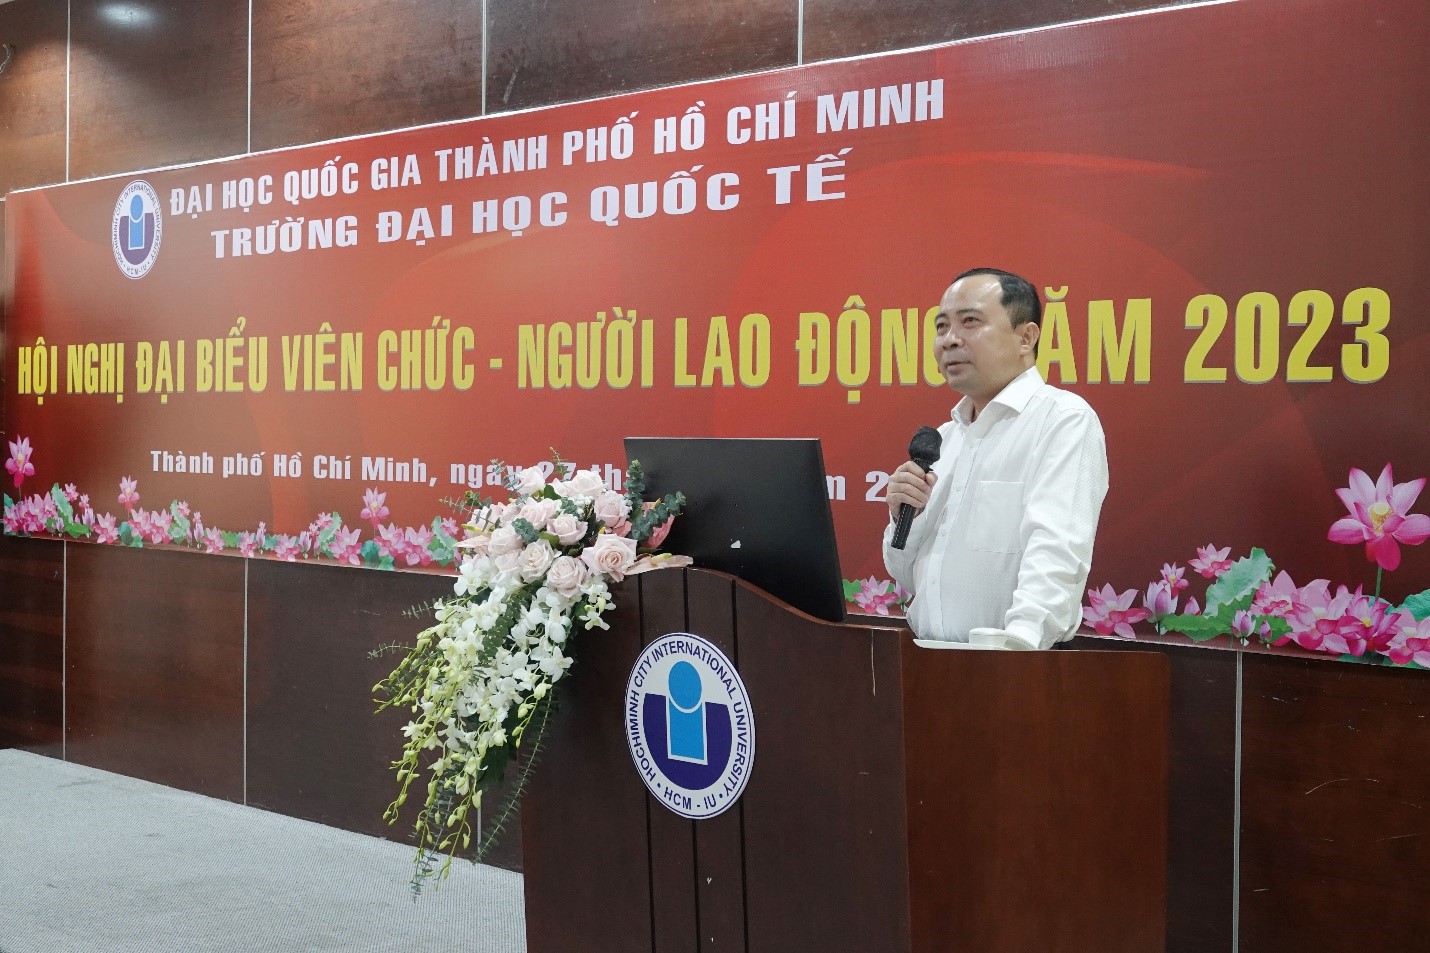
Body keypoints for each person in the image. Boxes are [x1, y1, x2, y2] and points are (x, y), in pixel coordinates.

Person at [882, 268, 1108, 650]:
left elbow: (1056, 554)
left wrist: (1015, 651)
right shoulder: (946, 439)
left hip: (1010, 664)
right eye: (941, 327)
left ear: (1026, 337)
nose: (950, 340)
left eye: (970, 322)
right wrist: (907, 518)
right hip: (925, 659)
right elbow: (909, 576)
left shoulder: (1061, 420)